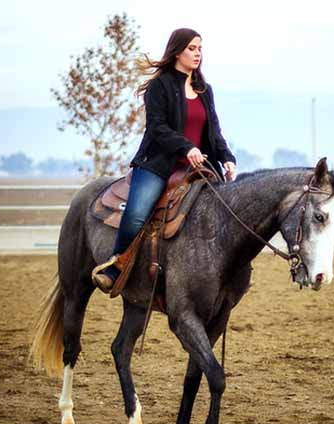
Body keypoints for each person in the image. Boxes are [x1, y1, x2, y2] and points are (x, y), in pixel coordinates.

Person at [93, 28, 237, 293]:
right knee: (136, 214)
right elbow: (158, 127)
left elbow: (214, 132)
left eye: (200, 49)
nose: (197, 54)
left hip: (199, 167)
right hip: (159, 165)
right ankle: (116, 267)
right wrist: (186, 148)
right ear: (177, 51)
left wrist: (227, 158)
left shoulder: (204, 90)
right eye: (192, 48)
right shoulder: (160, 86)